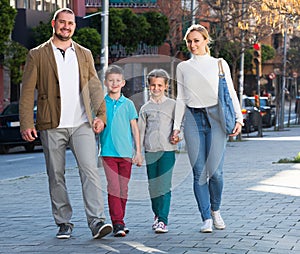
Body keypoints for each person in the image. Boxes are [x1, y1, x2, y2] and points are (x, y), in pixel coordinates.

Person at [19, 8, 112, 239]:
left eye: (70, 23)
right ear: (54, 23)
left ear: (74, 26)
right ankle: (64, 223)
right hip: (51, 123)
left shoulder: (84, 53)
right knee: (56, 174)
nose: (66, 27)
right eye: (62, 22)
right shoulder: (37, 54)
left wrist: (101, 114)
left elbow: (94, 86)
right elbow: (28, 91)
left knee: (90, 171)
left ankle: (97, 221)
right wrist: (26, 123)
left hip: (82, 123)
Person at [171, 24, 243, 233]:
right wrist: (177, 127)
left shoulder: (219, 64)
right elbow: (181, 98)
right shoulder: (183, 67)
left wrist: (239, 119)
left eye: (196, 40)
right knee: (199, 173)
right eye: (189, 41)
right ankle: (206, 219)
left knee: (216, 173)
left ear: (205, 41)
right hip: (193, 120)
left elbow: (230, 92)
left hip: (216, 119)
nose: (193, 45)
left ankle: (216, 210)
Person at [99, 65, 143, 237]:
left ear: (123, 83)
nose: (114, 83)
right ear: (106, 82)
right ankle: (118, 223)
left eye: (118, 81)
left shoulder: (129, 104)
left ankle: (120, 220)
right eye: (111, 80)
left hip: (125, 154)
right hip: (108, 153)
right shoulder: (101, 104)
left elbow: (135, 129)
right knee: (114, 187)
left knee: (123, 189)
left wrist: (138, 152)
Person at [138, 69, 177, 234]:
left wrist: (178, 135)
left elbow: (179, 125)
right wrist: (138, 152)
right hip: (151, 151)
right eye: (153, 85)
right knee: (153, 186)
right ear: (148, 86)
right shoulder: (145, 108)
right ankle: (157, 214)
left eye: (160, 85)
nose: (156, 88)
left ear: (166, 86)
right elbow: (140, 132)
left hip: (168, 151)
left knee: (164, 186)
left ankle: (163, 220)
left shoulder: (173, 105)